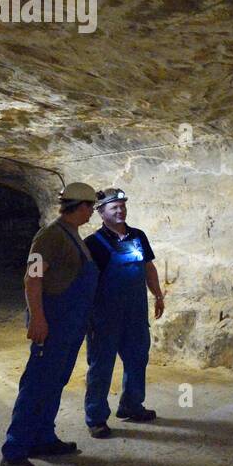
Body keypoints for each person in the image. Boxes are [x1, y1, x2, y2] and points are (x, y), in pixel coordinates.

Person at [0, 182, 100, 466]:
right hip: (54, 321)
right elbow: (32, 279)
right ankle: (14, 451)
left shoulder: (74, 236)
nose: (92, 213)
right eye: (90, 207)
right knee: (36, 385)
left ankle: (43, 438)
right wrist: (38, 318)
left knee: (55, 382)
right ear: (81, 207)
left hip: (71, 323)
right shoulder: (49, 237)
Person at [83, 187, 164, 438]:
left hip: (135, 313)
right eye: (114, 207)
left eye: (122, 206)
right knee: (101, 367)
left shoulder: (138, 236)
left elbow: (148, 267)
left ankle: (131, 405)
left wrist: (158, 295)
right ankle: (96, 417)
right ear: (101, 212)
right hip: (105, 316)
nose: (120, 210)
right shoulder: (93, 244)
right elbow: (85, 282)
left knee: (137, 360)